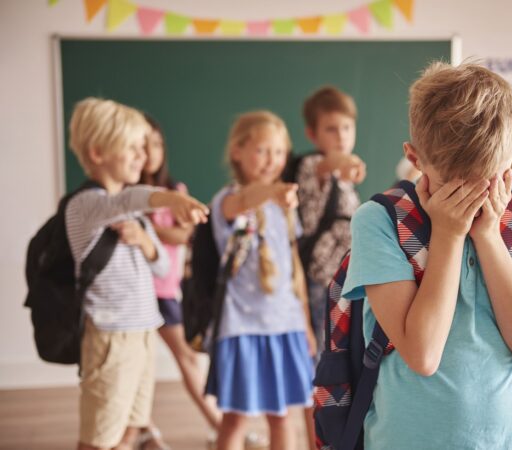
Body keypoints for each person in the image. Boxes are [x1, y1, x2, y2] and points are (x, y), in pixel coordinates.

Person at [340, 62, 512, 449]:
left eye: (488, 181)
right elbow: (423, 354)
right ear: (415, 158)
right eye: (453, 186)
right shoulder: (377, 222)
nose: (474, 200)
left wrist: (489, 237)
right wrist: (447, 235)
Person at [66, 97, 208, 450]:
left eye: (144, 147)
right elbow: (122, 203)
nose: (142, 156)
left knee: (131, 428)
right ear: (98, 153)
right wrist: (167, 199)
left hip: (142, 333)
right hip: (111, 339)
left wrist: (146, 240)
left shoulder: (137, 213)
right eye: (132, 148)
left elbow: (161, 266)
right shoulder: (86, 205)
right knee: (99, 437)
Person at [206, 111, 316, 450]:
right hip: (243, 327)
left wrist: (306, 325)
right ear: (237, 151)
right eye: (262, 150)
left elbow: (293, 267)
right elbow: (243, 202)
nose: (272, 160)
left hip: (285, 325)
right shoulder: (229, 200)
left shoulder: (282, 205)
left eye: (279, 152)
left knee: (282, 417)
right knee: (235, 418)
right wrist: (272, 193)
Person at [137, 114, 222, 450]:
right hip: (133, 293)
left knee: (187, 359)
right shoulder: (124, 193)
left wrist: (144, 227)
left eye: (156, 143)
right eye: (142, 144)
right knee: (138, 366)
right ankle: (145, 431)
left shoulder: (175, 192)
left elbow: (183, 233)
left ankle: (219, 425)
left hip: (165, 291)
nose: (149, 151)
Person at [291, 86, 365, 362]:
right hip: (321, 280)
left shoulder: (343, 178)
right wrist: (346, 160)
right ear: (312, 134)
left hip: (344, 281)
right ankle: (317, 407)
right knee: (322, 361)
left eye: (347, 127)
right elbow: (326, 163)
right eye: (331, 129)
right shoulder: (312, 166)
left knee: (339, 358)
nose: (342, 136)